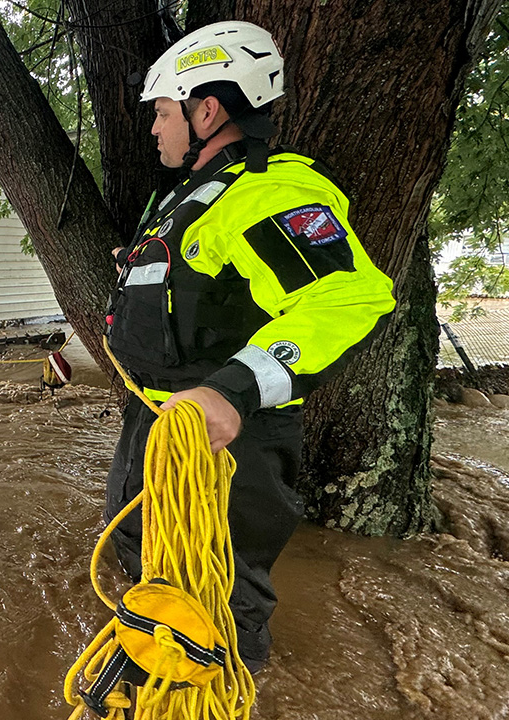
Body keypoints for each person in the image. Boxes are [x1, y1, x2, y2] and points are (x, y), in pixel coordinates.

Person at [103, 21, 396, 671]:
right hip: (154, 427)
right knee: (142, 566)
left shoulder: (270, 191)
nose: (154, 128)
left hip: (226, 444)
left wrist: (232, 391)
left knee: (223, 611)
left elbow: (344, 299)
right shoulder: (183, 199)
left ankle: (220, 689)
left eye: (162, 112)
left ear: (206, 109)